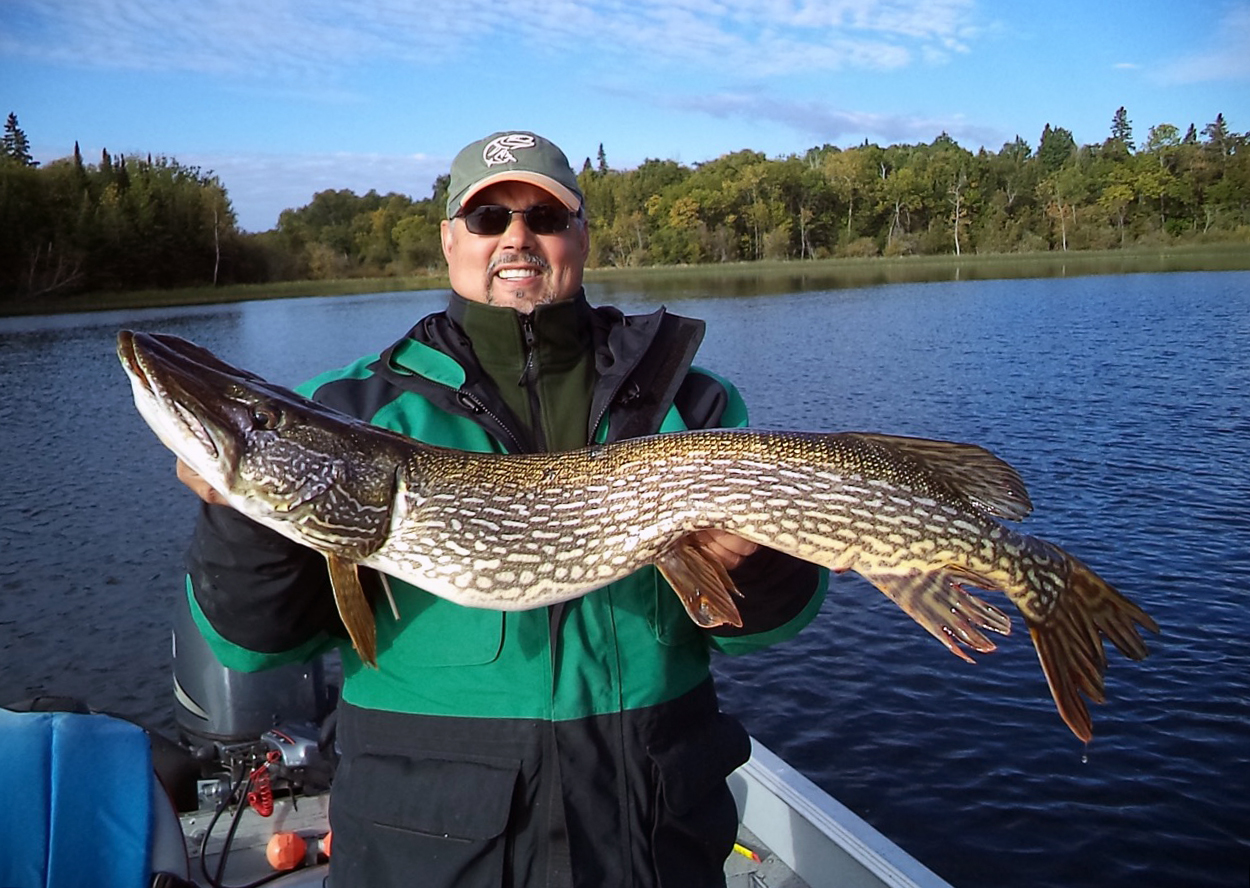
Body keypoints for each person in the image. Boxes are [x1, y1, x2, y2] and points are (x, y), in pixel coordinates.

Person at [178, 130, 827, 888]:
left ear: (581, 237)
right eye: (489, 219)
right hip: (429, 853)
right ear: (450, 240)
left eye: (545, 218)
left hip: (650, 840)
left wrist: (763, 561)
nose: (517, 237)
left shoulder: (691, 400)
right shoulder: (354, 411)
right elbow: (255, 646)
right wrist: (242, 510)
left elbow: (765, 630)